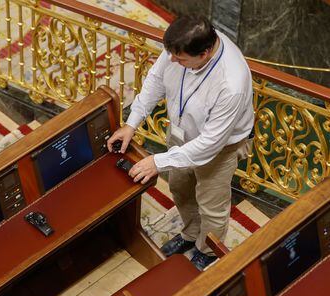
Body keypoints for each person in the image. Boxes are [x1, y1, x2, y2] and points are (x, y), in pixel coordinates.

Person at [107, 14, 254, 271]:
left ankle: (207, 251)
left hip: (220, 147)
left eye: (180, 59)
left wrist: (158, 161)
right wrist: (132, 123)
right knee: (179, 187)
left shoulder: (232, 83)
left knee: (212, 204)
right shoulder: (180, 46)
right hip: (181, 131)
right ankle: (190, 234)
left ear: (206, 52)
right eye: (171, 54)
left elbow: (210, 144)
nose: (172, 60)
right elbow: (155, 80)